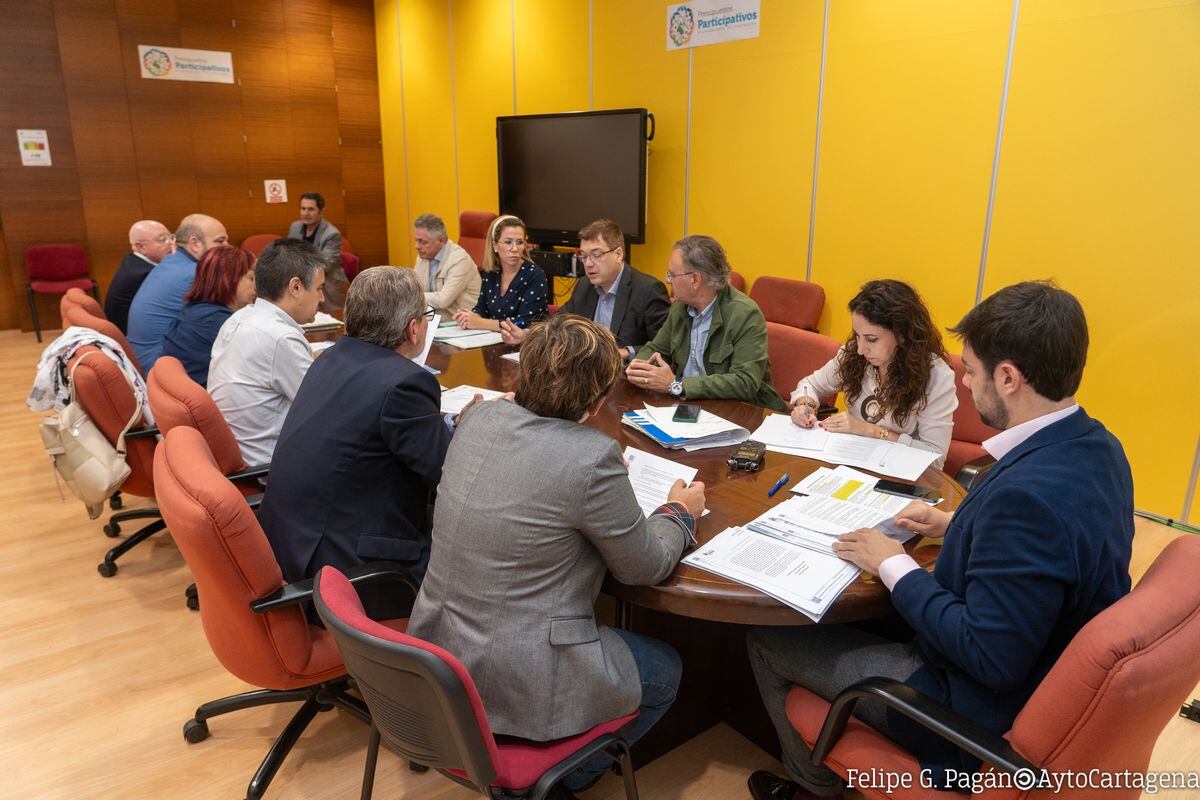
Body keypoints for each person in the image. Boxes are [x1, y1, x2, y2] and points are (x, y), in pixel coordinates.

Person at [746, 281, 1135, 800]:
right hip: (1046, 667)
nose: (967, 386)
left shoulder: (1026, 500)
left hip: (964, 709)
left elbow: (991, 657)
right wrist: (956, 525)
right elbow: (1057, 556)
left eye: (970, 372)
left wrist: (893, 566)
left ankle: (811, 789)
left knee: (767, 640)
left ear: (1009, 377)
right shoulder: (1100, 446)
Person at [408, 313, 706, 793]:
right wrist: (678, 512)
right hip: (520, 673)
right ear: (595, 400)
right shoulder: (591, 456)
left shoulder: (479, 417)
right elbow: (643, 567)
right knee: (665, 670)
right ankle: (558, 782)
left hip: (440, 652)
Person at [260, 268, 480, 614]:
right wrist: (484, 426)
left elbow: (388, 431)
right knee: (483, 565)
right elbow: (450, 474)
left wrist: (451, 422)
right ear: (412, 328)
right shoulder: (405, 382)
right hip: (352, 575)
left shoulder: (330, 358)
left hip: (293, 547)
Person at [790, 279, 958, 468]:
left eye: (871, 339)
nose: (861, 349)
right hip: (849, 463)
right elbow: (810, 384)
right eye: (857, 335)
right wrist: (805, 405)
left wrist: (871, 431)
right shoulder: (855, 354)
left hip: (898, 475)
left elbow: (934, 459)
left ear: (902, 334)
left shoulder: (936, 377)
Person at [626, 234, 785, 411]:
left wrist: (676, 384)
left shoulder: (745, 314)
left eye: (671, 274)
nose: (667, 280)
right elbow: (658, 349)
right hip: (690, 407)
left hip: (738, 412)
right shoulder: (680, 307)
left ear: (695, 280)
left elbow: (745, 382)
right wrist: (638, 367)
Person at [207, 239, 325, 466]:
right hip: (270, 465)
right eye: (319, 288)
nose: (322, 298)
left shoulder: (240, 318)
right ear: (296, 287)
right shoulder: (280, 337)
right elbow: (322, 409)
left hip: (242, 451)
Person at [498, 218, 670, 359]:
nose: (588, 264)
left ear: (618, 254)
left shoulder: (647, 290)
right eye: (583, 255)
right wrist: (526, 335)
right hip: (583, 376)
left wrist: (625, 353)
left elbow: (666, 347)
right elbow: (557, 322)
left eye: (596, 255)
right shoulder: (585, 285)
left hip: (625, 379)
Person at [127, 213, 228, 371]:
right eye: (220, 241)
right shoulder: (194, 273)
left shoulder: (172, 261)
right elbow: (227, 319)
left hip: (144, 358)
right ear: (194, 244)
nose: (227, 247)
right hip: (160, 366)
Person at [160, 245, 256, 386]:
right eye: (251, 278)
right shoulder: (220, 323)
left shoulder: (195, 309)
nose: (256, 286)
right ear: (229, 280)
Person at [451, 214, 547, 331]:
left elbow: (524, 321)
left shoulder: (535, 275)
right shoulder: (491, 273)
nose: (515, 249)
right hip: (493, 340)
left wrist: (479, 323)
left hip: (526, 344)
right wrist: (468, 317)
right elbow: (482, 309)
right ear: (495, 245)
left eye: (520, 242)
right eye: (508, 242)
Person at [105, 220, 175, 334]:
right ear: (141, 247)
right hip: (135, 339)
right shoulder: (144, 274)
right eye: (162, 239)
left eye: (171, 237)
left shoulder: (132, 260)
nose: (171, 244)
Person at [412, 212, 480, 318]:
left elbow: (444, 300)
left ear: (441, 240)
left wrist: (413, 296)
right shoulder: (423, 257)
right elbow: (416, 289)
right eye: (416, 240)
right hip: (436, 319)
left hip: (461, 323)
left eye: (423, 242)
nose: (417, 246)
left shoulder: (459, 259)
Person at [287, 191, 343, 271]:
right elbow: (288, 254)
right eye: (303, 209)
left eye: (311, 209)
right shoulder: (294, 227)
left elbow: (326, 265)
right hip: (299, 275)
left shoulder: (332, 234)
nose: (306, 213)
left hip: (326, 278)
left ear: (321, 212)